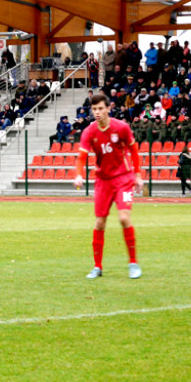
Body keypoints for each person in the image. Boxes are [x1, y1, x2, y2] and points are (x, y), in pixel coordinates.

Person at [72, 92, 143, 281]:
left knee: (123, 218)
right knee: (100, 223)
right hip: (103, 181)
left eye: (100, 108)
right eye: (94, 109)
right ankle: (97, 267)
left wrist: (137, 175)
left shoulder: (122, 128)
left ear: (108, 109)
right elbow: (81, 157)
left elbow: (133, 150)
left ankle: (133, 263)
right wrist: (78, 174)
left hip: (124, 180)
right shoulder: (89, 132)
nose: (97, 112)